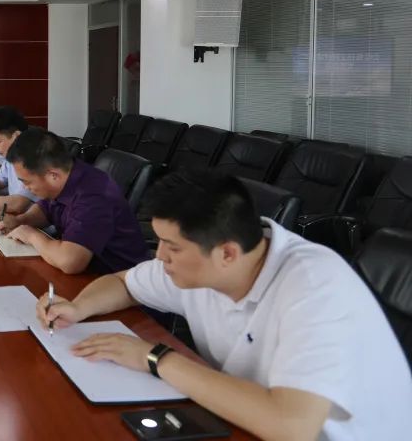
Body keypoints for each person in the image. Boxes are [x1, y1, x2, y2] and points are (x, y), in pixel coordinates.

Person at [38, 170, 412, 441]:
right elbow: (124, 283)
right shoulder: (208, 263)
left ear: (227, 253)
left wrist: (155, 357)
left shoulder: (315, 287)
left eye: (172, 247)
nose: (160, 256)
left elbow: (291, 426)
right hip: (246, 419)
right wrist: (78, 307)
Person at [0, 127, 148, 274]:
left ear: (53, 175)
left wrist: (31, 235)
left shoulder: (94, 195)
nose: (24, 187)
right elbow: (46, 209)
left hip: (117, 279)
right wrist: (20, 220)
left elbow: (70, 261)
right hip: (86, 272)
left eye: (27, 182)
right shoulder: (68, 173)